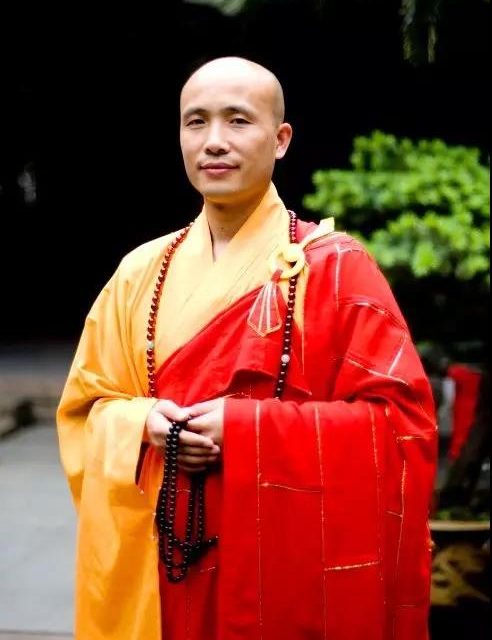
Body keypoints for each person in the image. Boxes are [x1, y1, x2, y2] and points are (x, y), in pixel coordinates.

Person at [57, 57, 437, 640]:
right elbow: (86, 411)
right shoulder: (139, 273)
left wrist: (247, 430)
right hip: (163, 565)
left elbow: (401, 427)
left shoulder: (336, 269)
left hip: (284, 572)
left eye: (238, 121)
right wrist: (143, 424)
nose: (214, 141)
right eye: (196, 122)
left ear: (280, 140)